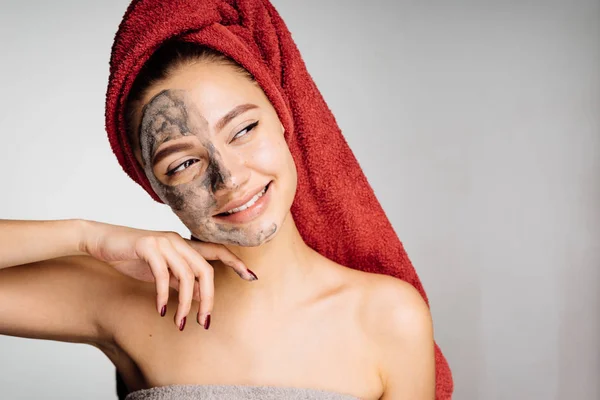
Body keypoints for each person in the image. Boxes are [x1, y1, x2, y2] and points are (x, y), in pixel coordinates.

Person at [0, 1, 452, 399]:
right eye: (181, 164)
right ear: (151, 185)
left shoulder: (389, 317)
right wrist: (88, 237)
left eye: (244, 130)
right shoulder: (124, 300)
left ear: (284, 116)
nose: (230, 178)